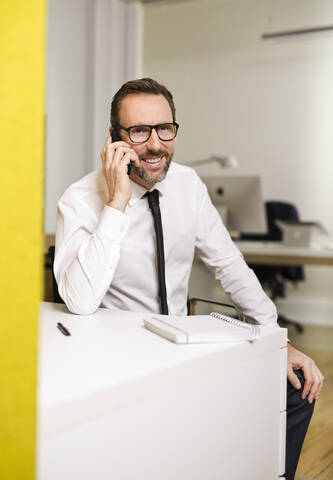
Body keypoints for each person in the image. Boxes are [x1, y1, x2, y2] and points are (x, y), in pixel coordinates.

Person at [54, 77, 323, 479]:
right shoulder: (79, 199)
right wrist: (117, 202)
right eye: (139, 131)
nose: (156, 144)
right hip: (122, 362)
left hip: (187, 349)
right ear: (114, 138)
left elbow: (229, 265)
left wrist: (275, 339)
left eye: (165, 128)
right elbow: (79, 299)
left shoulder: (187, 185)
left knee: (296, 387)